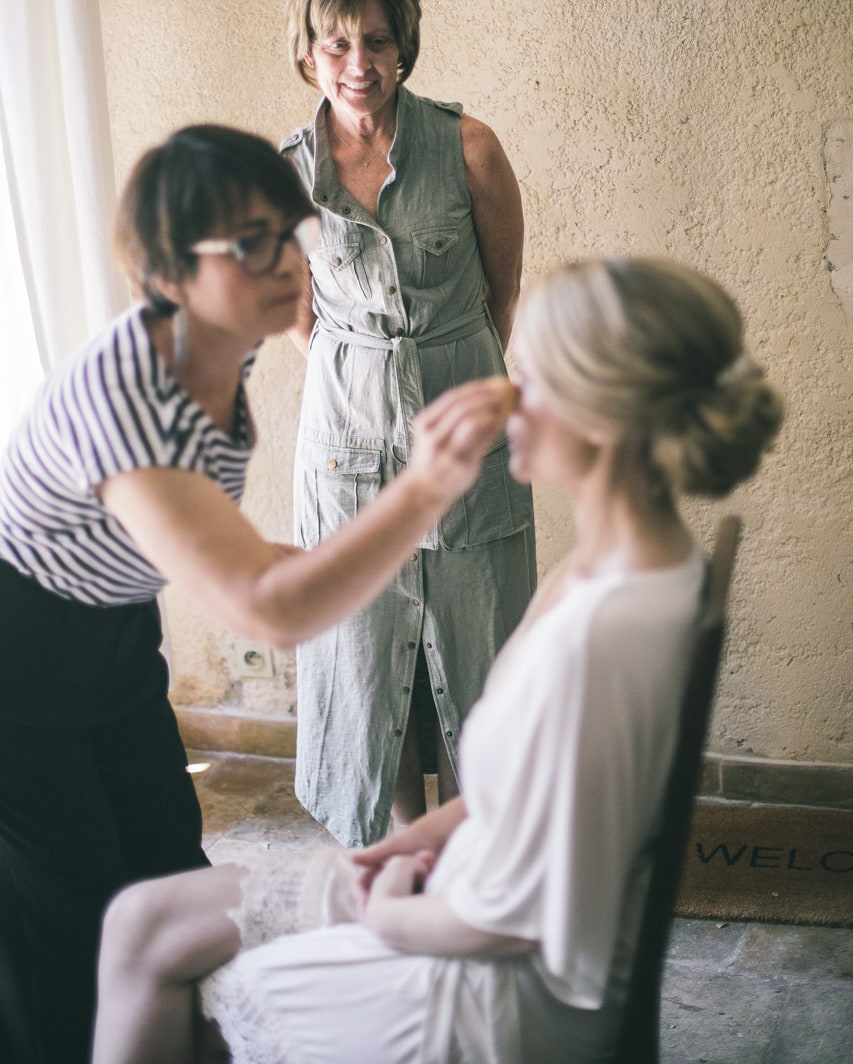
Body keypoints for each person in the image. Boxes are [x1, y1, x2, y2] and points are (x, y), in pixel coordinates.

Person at [91, 256, 783, 1064]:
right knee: (137, 922)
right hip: (456, 888)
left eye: (526, 375)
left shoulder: (605, 633)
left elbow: (509, 922)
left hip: (487, 988)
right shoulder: (627, 563)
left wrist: (385, 905)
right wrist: (408, 843)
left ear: (600, 415)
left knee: (165, 962)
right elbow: (525, 793)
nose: (500, 393)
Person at [0, 123, 514, 1064]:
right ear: (166, 272)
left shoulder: (219, 347)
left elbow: (222, 544)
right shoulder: (128, 398)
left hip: (111, 630)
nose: (287, 262)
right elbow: (265, 609)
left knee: (163, 864)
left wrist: (309, 555)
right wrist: (425, 485)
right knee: (66, 921)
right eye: (248, 246)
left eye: (288, 232)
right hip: (18, 659)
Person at [279, 0, 537, 844]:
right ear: (307, 49)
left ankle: (480, 854)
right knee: (360, 651)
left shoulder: (468, 147)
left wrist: (447, 364)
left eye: (377, 42)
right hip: (344, 442)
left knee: (480, 645)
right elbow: (298, 315)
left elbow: (499, 292)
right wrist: (366, 371)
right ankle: (392, 851)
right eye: (337, 43)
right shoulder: (289, 176)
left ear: (405, 46)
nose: (359, 65)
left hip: (463, 423)